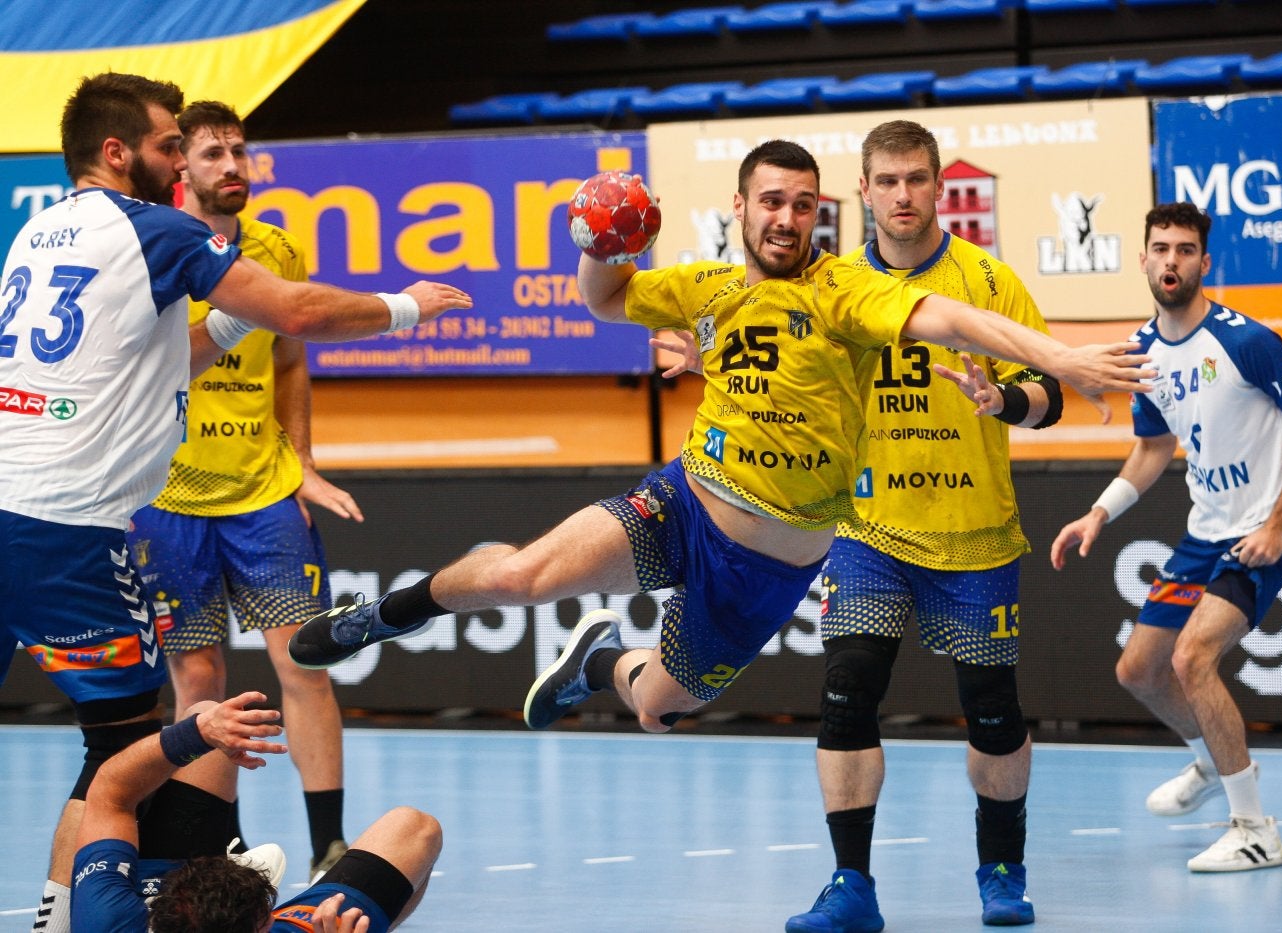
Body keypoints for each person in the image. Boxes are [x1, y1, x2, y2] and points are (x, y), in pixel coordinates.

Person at [288, 139, 1149, 749]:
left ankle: (601, 663)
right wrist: (602, 239)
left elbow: (955, 317)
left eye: (803, 205)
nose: (787, 218)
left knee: (659, 706)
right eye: (771, 201)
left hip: (774, 563)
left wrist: (1062, 356)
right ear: (739, 206)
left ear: (820, 212)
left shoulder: (844, 291)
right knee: (518, 575)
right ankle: (379, 617)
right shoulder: (703, 285)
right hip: (687, 498)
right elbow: (606, 298)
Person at [0, 71, 470, 933]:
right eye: (170, 144)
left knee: (170, 719)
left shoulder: (37, 234)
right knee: (122, 749)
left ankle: (128, 887)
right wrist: (407, 306)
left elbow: (149, 368)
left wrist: (231, 325)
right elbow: (297, 310)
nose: (180, 160)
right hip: (64, 527)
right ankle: (64, 915)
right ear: (117, 152)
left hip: (11, 500)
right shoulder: (154, 228)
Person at [784, 120, 1054, 932]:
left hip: (973, 533)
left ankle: (1002, 869)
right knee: (846, 696)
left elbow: (1050, 395)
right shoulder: (828, 286)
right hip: (869, 530)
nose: (903, 195)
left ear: (939, 187)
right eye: (888, 181)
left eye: (917, 180)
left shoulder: (986, 279)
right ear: (862, 192)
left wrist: (1004, 400)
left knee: (992, 708)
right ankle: (851, 886)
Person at [1050, 202, 1282, 872]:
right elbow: (1153, 449)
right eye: (1160, 248)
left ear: (1205, 263)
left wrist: (1274, 522)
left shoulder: (1247, 341)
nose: (1171, 260)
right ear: (1144, 260)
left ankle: (1255, 828)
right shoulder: (1142, 352)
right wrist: (1098, 512)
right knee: (1139, 670)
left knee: (1191, 659)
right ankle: (1213, 759)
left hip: (1266, 531)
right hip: (1205, 533)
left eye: (1184, 249)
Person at [127, 100, 356, 881]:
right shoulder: (154, 248)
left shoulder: (277, 250)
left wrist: (304, 463)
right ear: (179, 168)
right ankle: (214, 841)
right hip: (168, 497)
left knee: (306, 662)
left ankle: (330, 843)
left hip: (263, 495)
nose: (233, 166)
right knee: (199, 678)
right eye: (214, 154)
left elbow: (292, 361)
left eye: (240, 151)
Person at [71, 691, 443, 933]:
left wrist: (200, 732)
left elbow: (109, 793)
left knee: (207, 715)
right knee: (416, 829)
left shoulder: (111, 919)